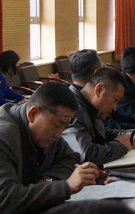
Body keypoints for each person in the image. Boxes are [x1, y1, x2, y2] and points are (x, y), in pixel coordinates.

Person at [0, 82, 99, 213]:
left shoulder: (46, 129)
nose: (59, 135)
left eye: (64, 127)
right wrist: (66, 187)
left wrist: (47, 180)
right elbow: (4, 198)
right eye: (57, 125)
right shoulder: (4, 135)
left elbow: (71, 157)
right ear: (33, 114)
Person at [69, 50, 135, 139]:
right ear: (96, 74)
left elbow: (115, 117)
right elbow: (109, 127)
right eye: (103, 69)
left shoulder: (83, 97)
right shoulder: (77, 106)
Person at [63, 67, 135, 166]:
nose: (115, 108)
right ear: (99, 90)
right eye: (115, 100)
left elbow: (103, 134)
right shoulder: (72, 109)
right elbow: (86, 154)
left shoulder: (91, 107)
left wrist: (132, 135)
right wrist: (119, 146)